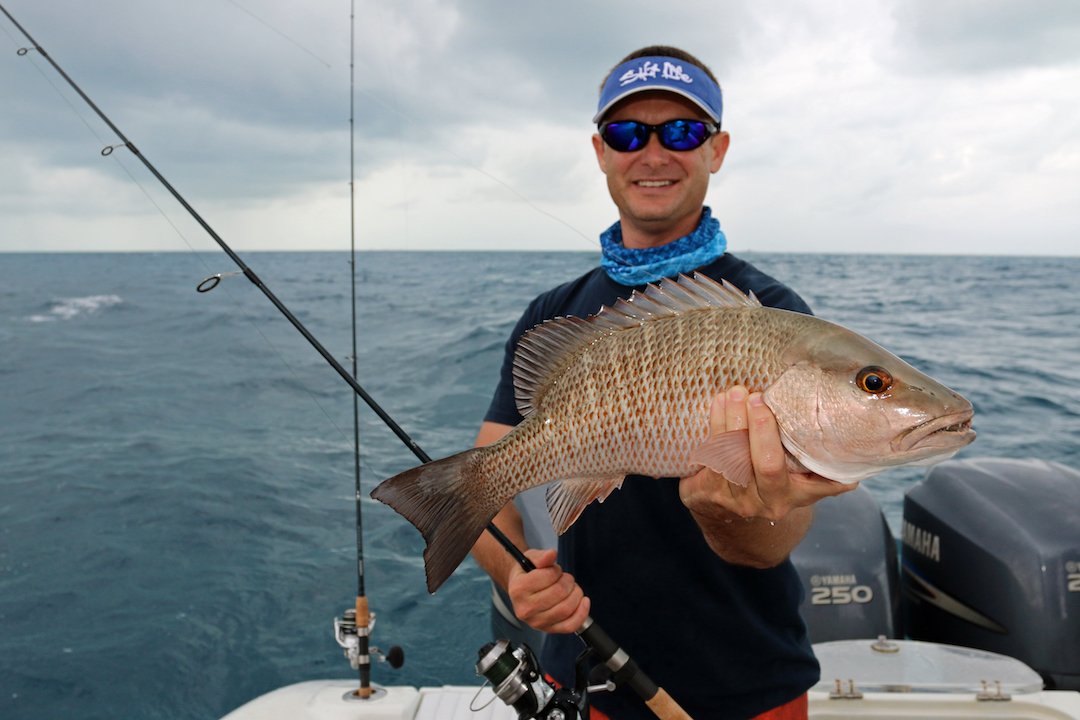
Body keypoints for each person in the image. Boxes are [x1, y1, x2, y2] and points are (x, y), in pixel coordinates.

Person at [471, 46, 856, 720]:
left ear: (716, 149)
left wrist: (726, 514)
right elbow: (483, 481)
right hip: (586, 677)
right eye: (628, 133)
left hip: (749, 685)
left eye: (680, 131)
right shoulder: (552, 315)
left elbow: (775, 539)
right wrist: (517, 574)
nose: (653, 153)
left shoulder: (773, 314)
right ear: (601, 151)